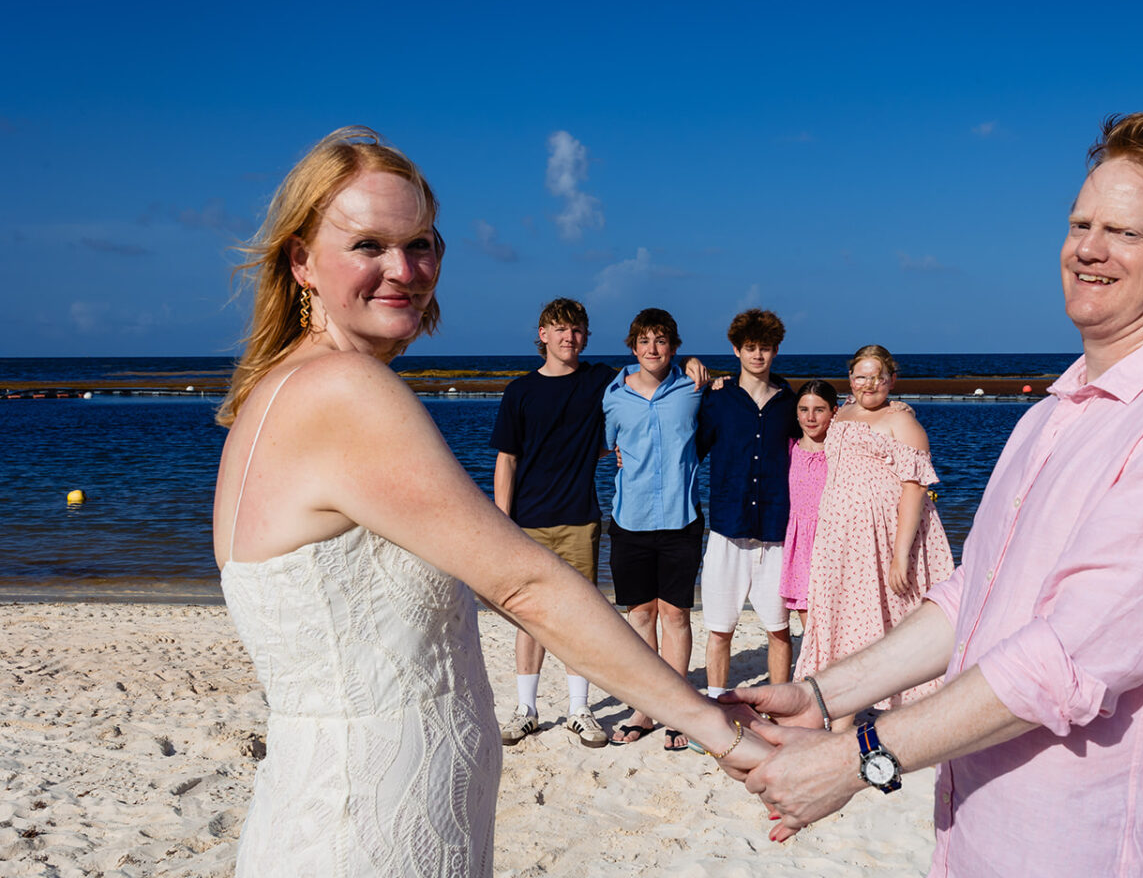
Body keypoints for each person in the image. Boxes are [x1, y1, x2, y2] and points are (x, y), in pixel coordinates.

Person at [728, 113, 1143, 878]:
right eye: (1081, 223)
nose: (1088, 248)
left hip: (1089, 850)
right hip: (981, 837)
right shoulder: (1050, 417)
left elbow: (1062, 659)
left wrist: (855, 759)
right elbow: (974, 596)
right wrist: (824, 695)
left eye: (1123, 232)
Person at [212, 127, 764, 875]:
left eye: (423, 244)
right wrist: (718, 730)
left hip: (330, 803)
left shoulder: (270, 392)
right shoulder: (346, 390)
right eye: (368, 245)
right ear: (302, 260)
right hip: (371, 826)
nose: (404, 270)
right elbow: (524, 584)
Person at [793, 344, 954, 728]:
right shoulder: (842, 412)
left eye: (878, 377)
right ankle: (836, 711)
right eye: (861, 376)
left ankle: (903, 714)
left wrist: (900, 555)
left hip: (879, 539)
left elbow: (914, 491)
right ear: (850, 379)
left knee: (882, 620)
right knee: (839, 620)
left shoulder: (902, 422)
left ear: (891, 380)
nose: (870, 384)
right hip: (838, 538)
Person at [488, 298, 614, 750]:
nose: (569, 337)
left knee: (578, 617)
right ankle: (526, 710)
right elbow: (507, 459)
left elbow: (647, 381)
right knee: (530, 617)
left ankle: (580, 710)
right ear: (542, 334)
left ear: (586, 337)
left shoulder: (600, 380)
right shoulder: (519, 391)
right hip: (528, 521)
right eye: (560, 329)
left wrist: (698, 368)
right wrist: (502, 522)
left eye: (578, 330)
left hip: (580, 518)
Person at [601, 308, 706, 750]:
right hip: (631, 520)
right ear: (632, 347)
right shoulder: (613, 395)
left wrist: (704, 368)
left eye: (661, 341)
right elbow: (607, 446)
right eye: (644, 341)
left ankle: (678, 708)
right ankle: (645, 708)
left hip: (681, 518)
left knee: (676, 614)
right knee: (640, 615)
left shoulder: (693, 389)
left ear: (674, 347)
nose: (652, 349)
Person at [696, 309, 800, 701]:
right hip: (728, 530)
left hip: (776, 531)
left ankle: (780, 702)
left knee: (778, 628)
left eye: (766, 348)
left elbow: (820, 441)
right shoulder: (717, 400)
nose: (758, 355)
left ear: (776, 351)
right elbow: (688, 450)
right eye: (751, 348)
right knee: (720, 628)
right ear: (736, 350)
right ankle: (717, 701)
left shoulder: (791, 402)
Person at [778, 379, 838, 636]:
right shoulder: (787, 449)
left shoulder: (842, 451)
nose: (810, 417)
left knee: (838, 621)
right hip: (800, 544)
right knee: (811, 628)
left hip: (834, 543)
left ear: (834, 411)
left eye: (819, 409)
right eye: (804, 409)